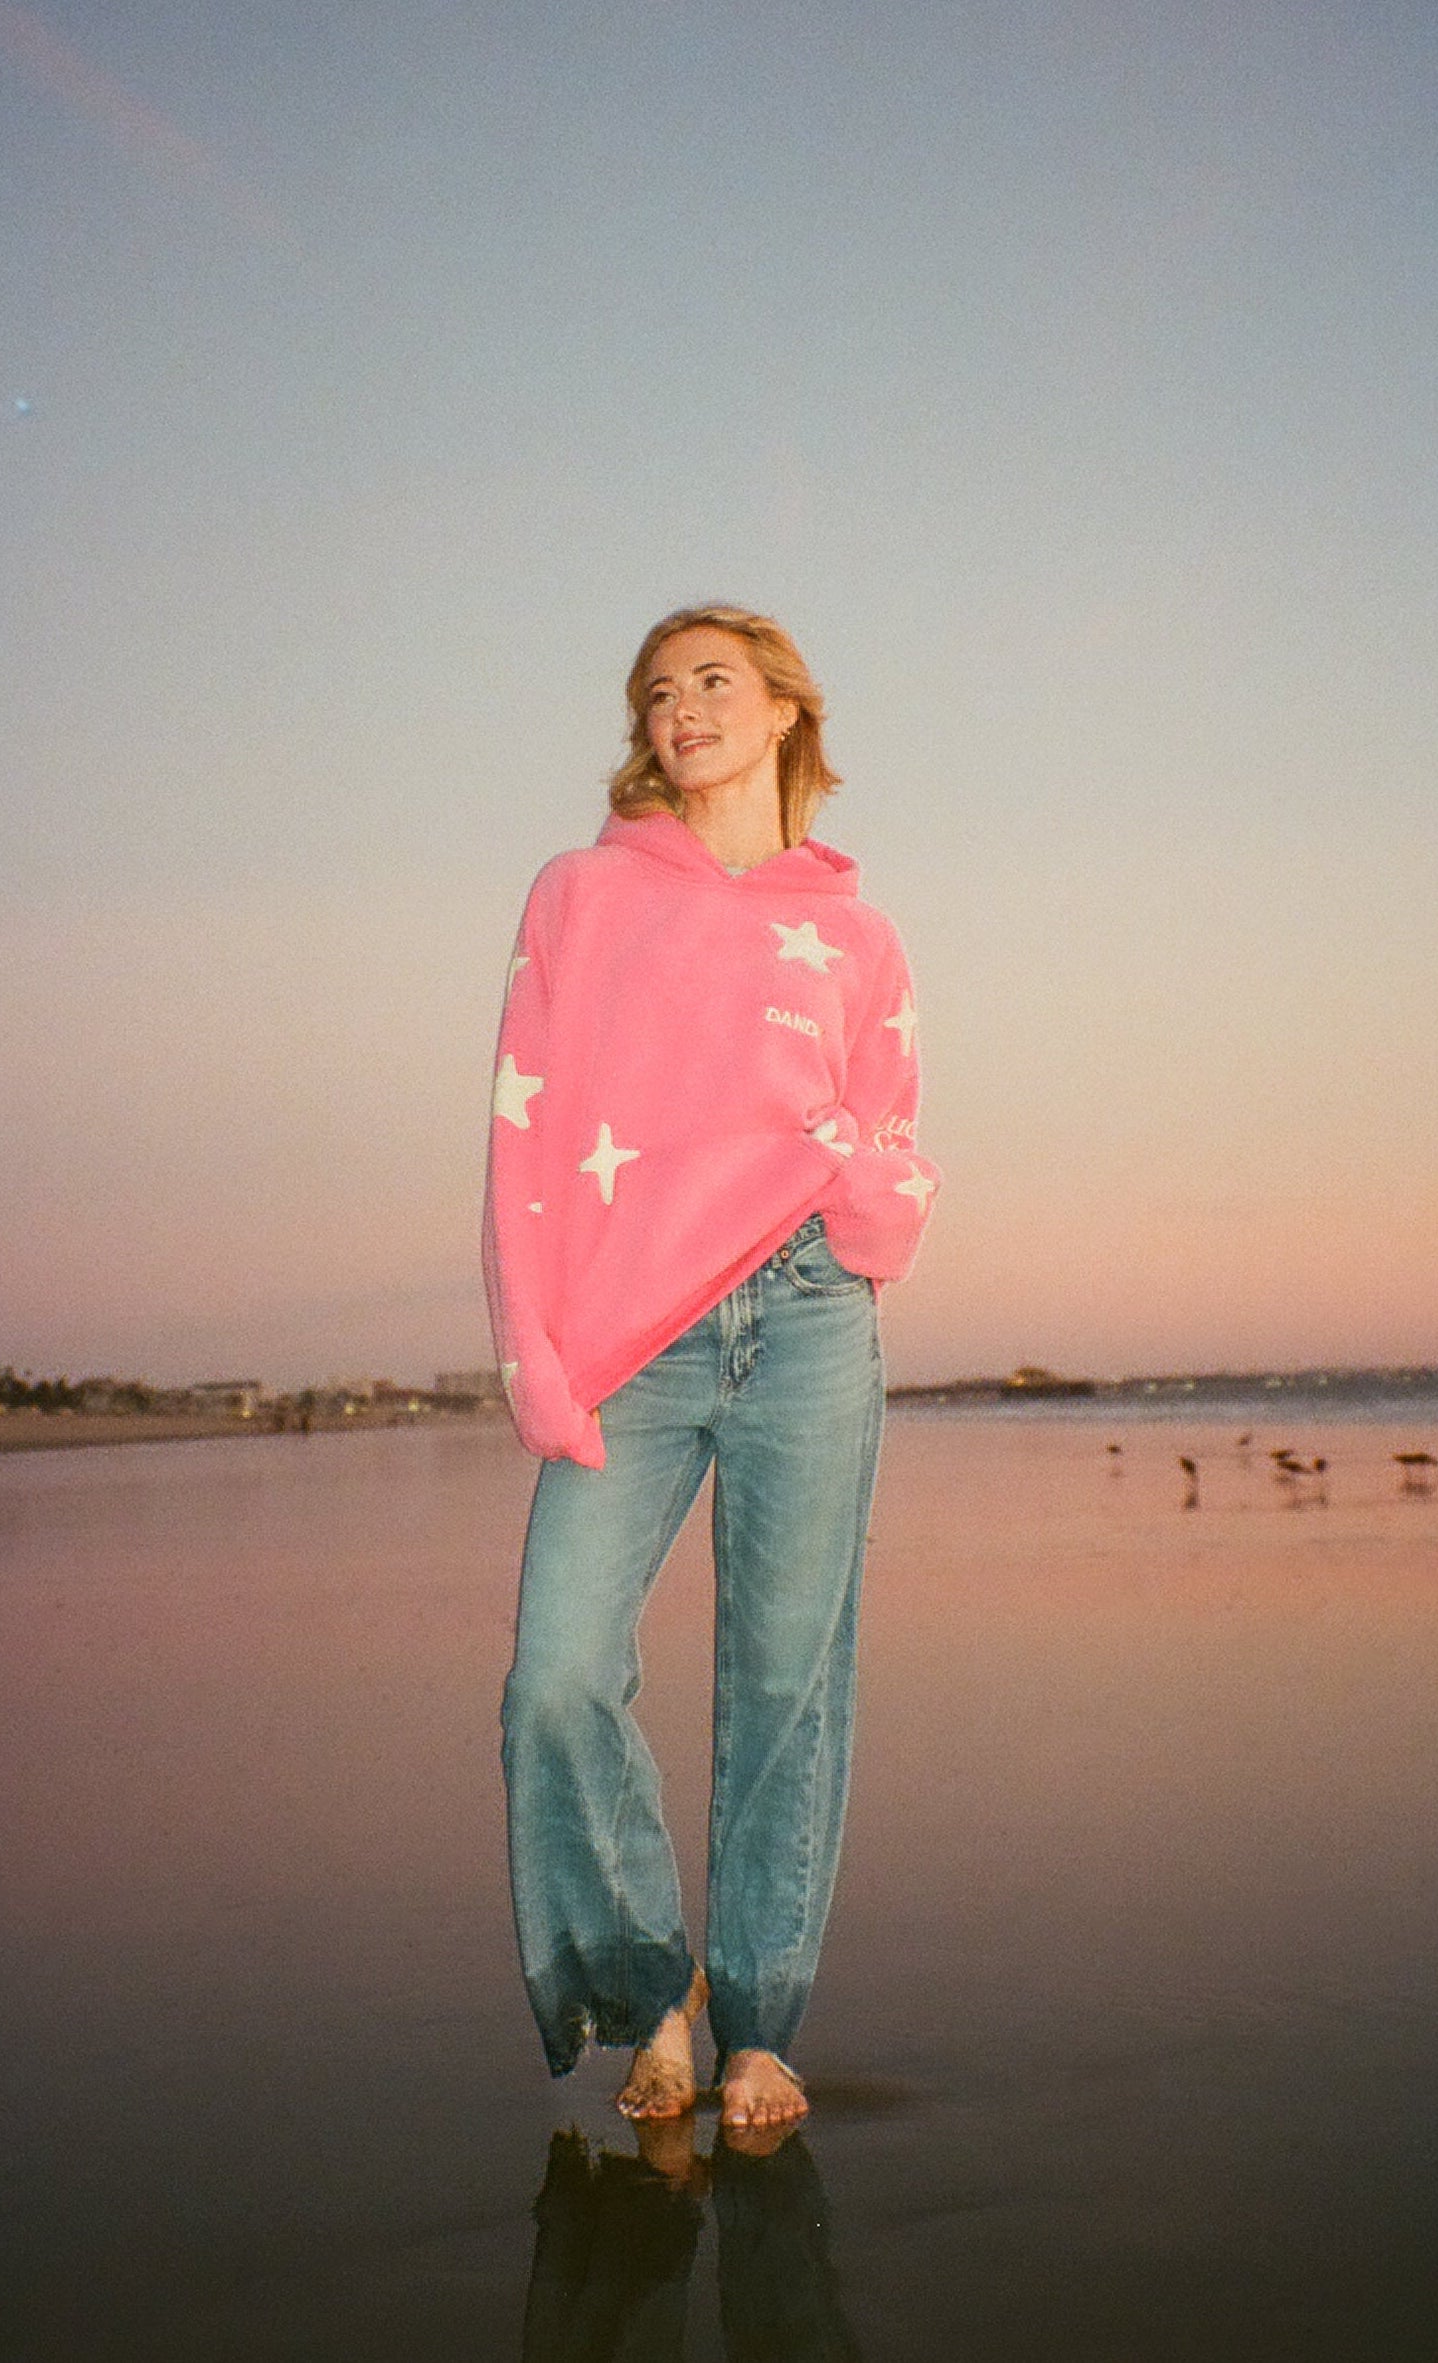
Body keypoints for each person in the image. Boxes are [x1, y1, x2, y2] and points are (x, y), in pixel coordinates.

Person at [484, 604, 939, 2131]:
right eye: (659, 691)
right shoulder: (584, 894)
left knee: (784, 1686)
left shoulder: (859, 931)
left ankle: (751, 2023)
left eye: (713, 682)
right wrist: (531, 1344)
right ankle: (643, 1979)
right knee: (556, 1675)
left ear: (782, 710)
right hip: (636, 1335)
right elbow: (523, 1129)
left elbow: (887, 1113)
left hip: (809, 1315)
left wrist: (871, 1208)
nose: (683, 707)